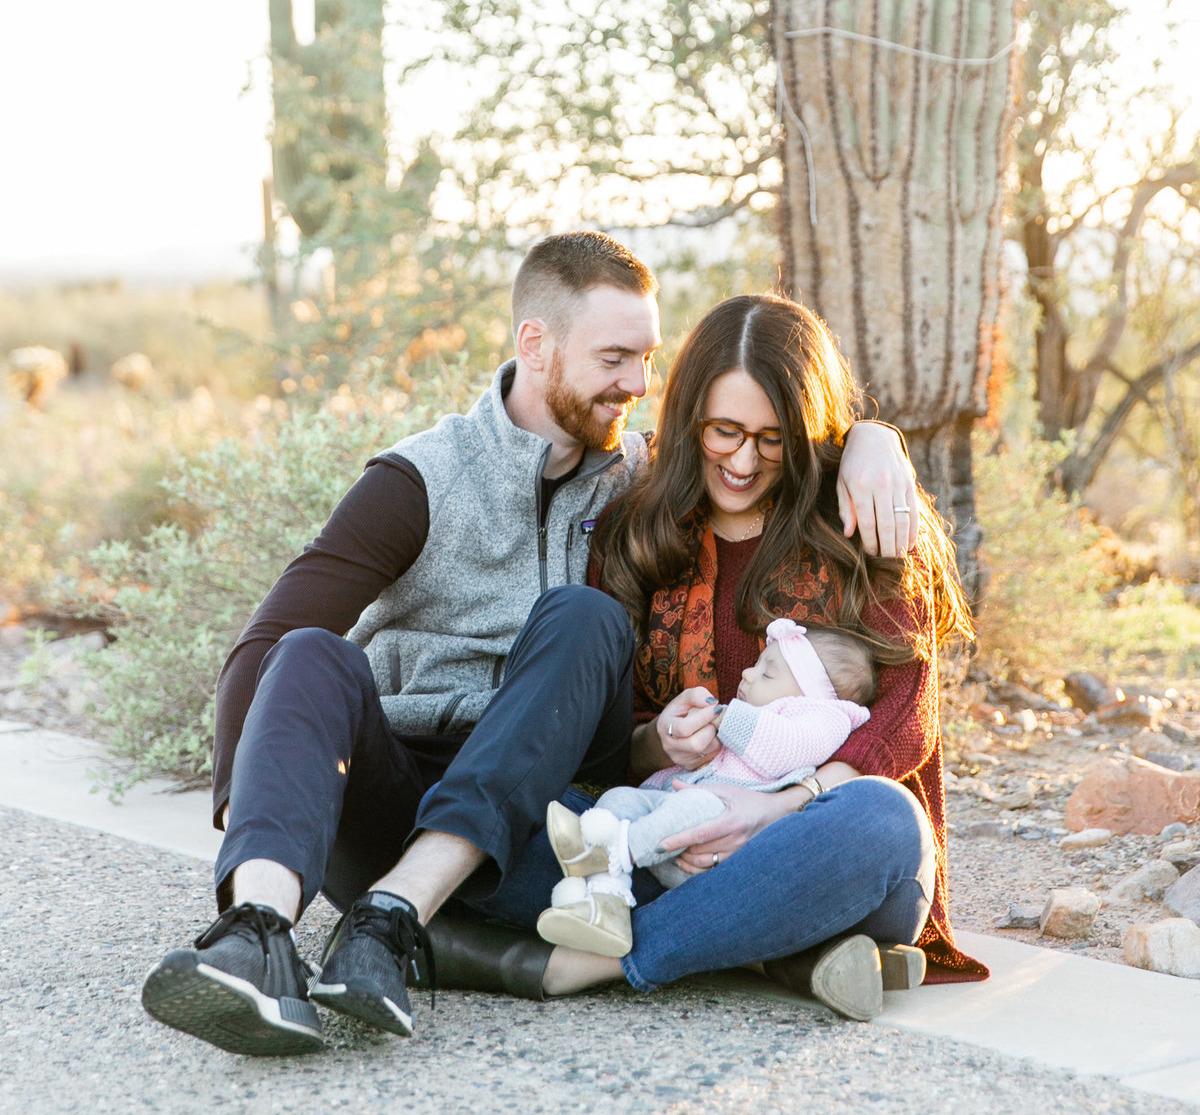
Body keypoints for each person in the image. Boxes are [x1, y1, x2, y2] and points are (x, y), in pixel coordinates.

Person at [139, 234, 919, 1056]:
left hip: (537, 821)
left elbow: (782, 427)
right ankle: (255, 931)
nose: (637, 385)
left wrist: (875, 435)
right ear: (534, 345)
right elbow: (260, 647)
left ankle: (437, 936)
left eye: (647, 359)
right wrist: (253, 809)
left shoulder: (638, 483)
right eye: (615, 357)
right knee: (306, 653)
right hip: (398, 799)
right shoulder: (419, 481)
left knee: (586, 621)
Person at [464, 292, 985, 1023]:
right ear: (688, 421)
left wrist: (772, 811)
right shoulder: (634, 528)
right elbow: (614, 739)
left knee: (885, 822)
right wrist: (657, 740)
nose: (744, 461)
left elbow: (907, 717)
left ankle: (597, 961)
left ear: (808, 432)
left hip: (815, 844)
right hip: (668, 840)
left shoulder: (864, 510)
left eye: (773, 440)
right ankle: (775, 946)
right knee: (522, 824)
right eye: (724, 432)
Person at [535, 619, 876, 956]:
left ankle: (608, 851)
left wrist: (723, 718)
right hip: (669, 836)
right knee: (619, 798)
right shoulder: (754, 715)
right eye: (756, 665)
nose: (747, 674)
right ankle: (605, 901)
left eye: (767, 673)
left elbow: (786, 746)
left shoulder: (824, 718)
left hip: (719, 839)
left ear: (813, 696)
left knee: (700, 804)